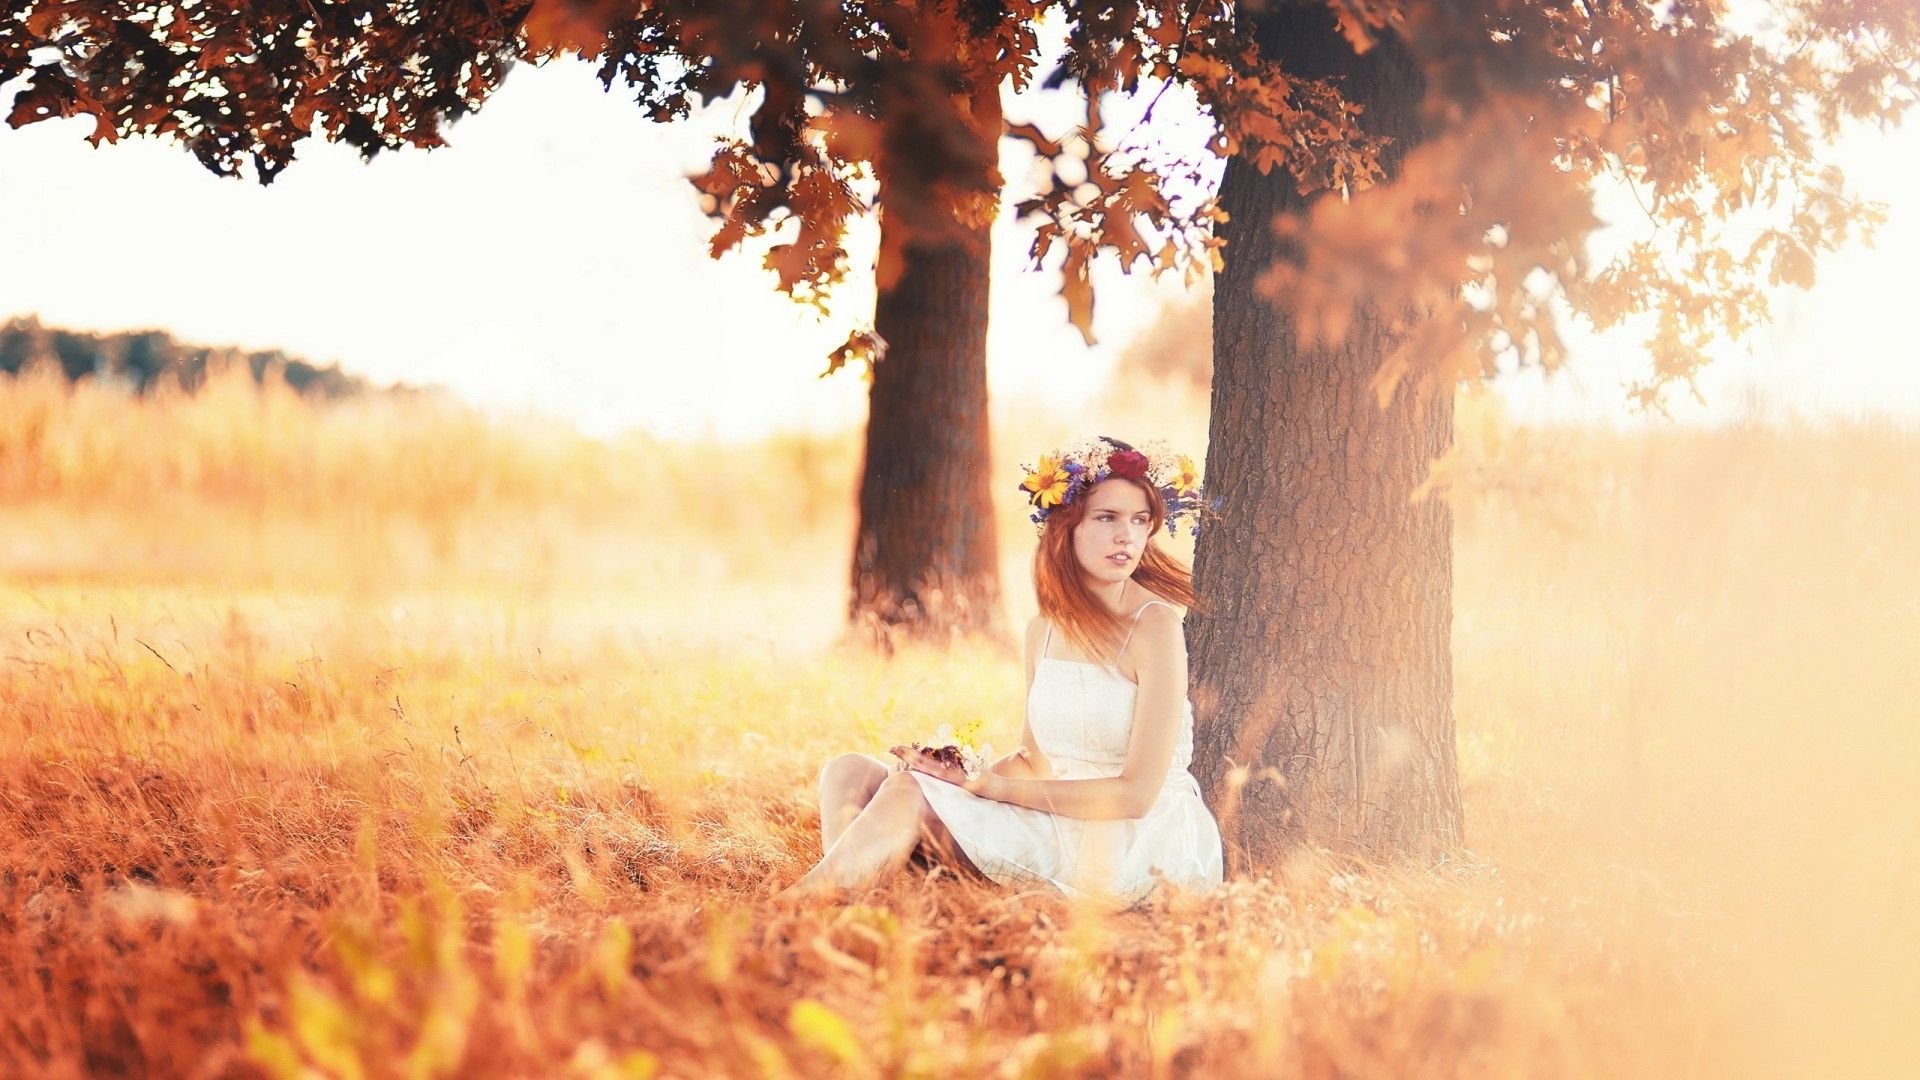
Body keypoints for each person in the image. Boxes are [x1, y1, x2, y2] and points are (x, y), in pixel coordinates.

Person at [779, 436, 1225, 905]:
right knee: (849, 772)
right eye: (1107, 517)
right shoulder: (1044, 630)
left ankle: (793, 909)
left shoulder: (1154, 626)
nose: (1127, 537)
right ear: (1064, 527)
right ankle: (848, 896)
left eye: (1139, 520)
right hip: (1056, 814)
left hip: (1132, 838)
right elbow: (1034, 761)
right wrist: (958, 775)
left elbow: (1136, 795)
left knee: (909, 794)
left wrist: (993, 789)